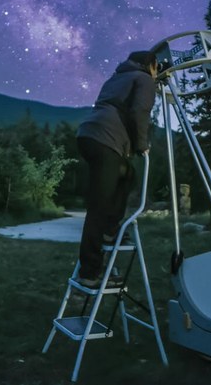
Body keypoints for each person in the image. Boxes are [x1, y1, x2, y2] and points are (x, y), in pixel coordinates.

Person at [74, 49, 159, 288]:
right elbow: (139, 110)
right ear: (150, 65)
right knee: (99, 207)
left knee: (127, 175)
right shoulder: (143, 79)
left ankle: (111, 229)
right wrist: (142, 145)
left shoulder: (117, 78)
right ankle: (90, 273)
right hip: (106, 140)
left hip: (89, 135)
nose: (158, 72)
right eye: (157, 67)